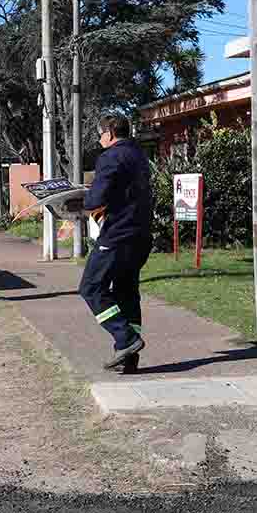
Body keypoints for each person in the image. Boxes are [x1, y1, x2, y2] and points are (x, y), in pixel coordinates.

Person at [80, 112, 153, 374]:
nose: (99, 140)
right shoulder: (139, 155)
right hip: (141, 236)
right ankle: (129, 359)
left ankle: (126, 339)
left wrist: (80, 202)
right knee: (126, 292)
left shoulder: (110, 156)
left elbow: (95, 199)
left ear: (109, 133)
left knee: (91, 287)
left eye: (100, 134)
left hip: (118, 235)